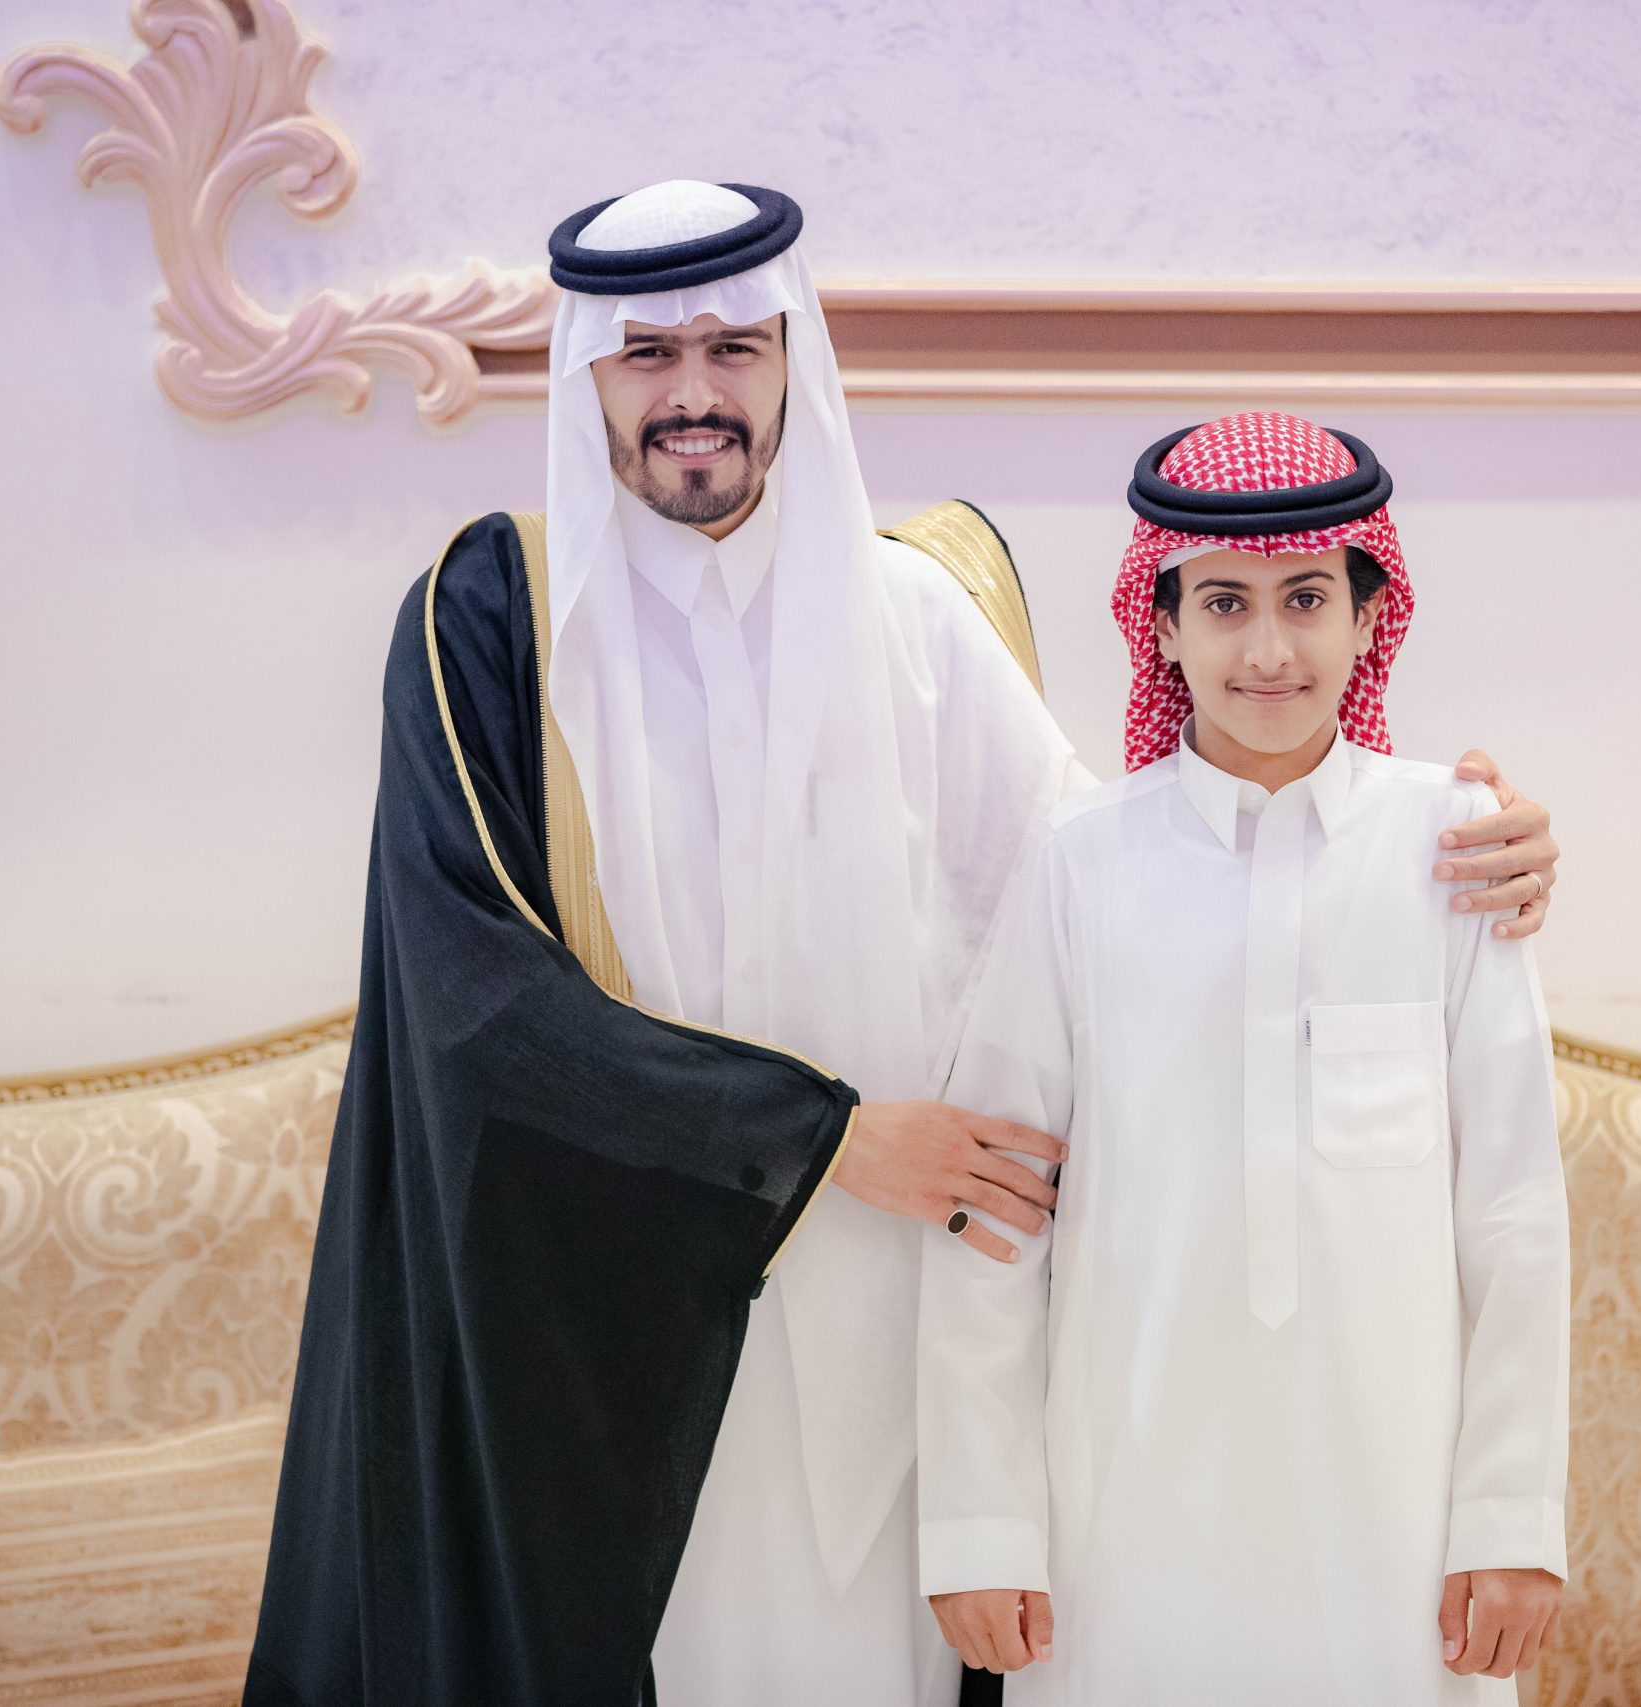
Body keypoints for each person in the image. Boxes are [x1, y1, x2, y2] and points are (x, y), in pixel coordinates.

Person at [246, 176, 1564, 1707]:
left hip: (899, 1340)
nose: (692, 393)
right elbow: (478, 1006)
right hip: (621, 1335)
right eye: (648, 354)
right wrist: (819, 1140)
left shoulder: (921, 615)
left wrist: (1452, 839)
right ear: (587, 374)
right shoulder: (499, 628)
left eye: (734, 348)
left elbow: (1132, 889)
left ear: (792, 357)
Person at [917, 411, 1571, 1704]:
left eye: (1307, 599)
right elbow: (996, 1205)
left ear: (1370, 617)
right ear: (1161, 627)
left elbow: (1514, 1212)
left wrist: (1512, 1517)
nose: (1269, 649)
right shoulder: (1080, 861)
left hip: (1398, 1525)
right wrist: (982, 1524)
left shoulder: (1455, 848)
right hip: (1126, 1517)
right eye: (1223, 603)